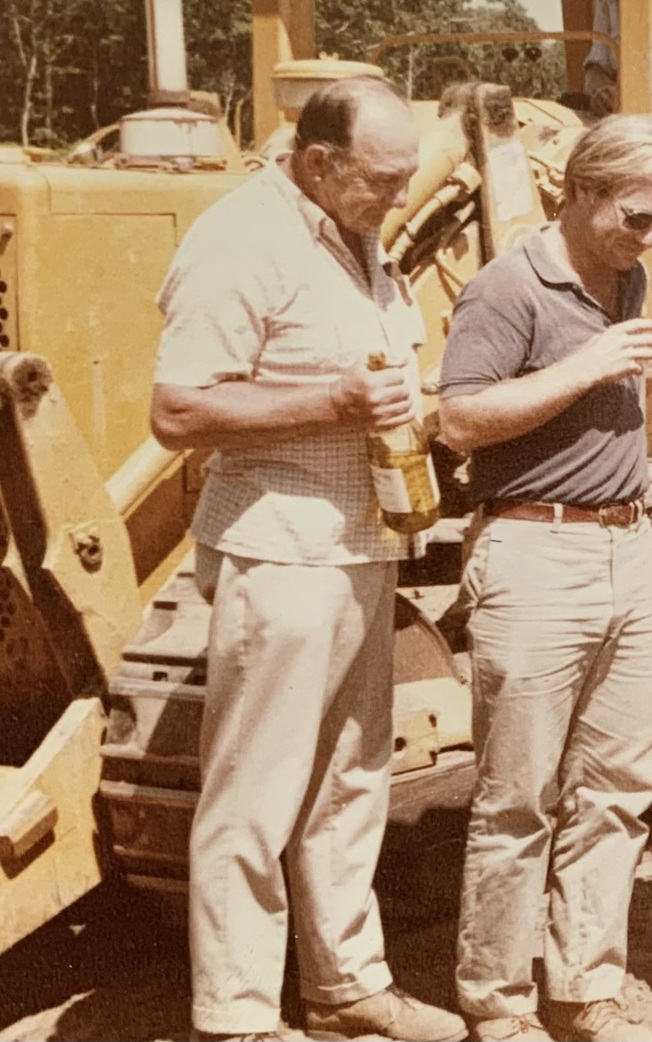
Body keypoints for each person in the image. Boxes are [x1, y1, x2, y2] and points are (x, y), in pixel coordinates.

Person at [150, 76, 465, 1042]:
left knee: (351, 779)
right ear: (320, 163)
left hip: (359, 546)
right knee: (256, 790)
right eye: (383, 180)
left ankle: (345, 988)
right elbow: (177, 410)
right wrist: (328, 404)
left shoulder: (357, 238)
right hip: (279, 550)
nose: (400, 199)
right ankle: (238, 1015)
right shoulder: (242, 242)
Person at [437, 114, 652, 1042]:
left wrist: (633, 471)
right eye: (635, 217)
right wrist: (586, 368)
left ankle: (586, 992)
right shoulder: (508, 289)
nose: (648, 237)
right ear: (578, 190)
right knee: (518, 798)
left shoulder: (629, 272)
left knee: (618, 788)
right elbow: (459, 418)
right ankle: (497, 1007)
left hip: (624, 548)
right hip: (535, 554)